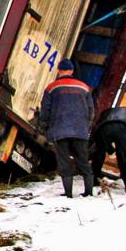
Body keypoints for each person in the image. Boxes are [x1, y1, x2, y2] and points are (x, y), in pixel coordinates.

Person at [39, 59, 95, 197]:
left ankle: (68, 194)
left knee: (64, 162)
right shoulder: (84, 87)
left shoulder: (51, 88)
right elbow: (91, 111)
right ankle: (88, 192)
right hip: (80, 131)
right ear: (72, 71)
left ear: (59, 71)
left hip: (60, 131)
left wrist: (45, 125)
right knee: (83, 161)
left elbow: (45, 110)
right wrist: (86, 125)